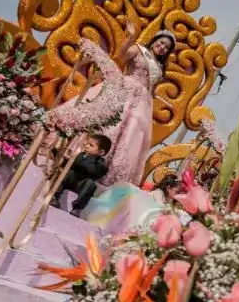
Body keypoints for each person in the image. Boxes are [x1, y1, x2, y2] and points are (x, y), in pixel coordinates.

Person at [46, 25, 175, 187]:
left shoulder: (161, 68)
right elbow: (121, 56)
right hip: (124, 89)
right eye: (161, 43)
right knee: (107, 123)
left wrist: (154, 96)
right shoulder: (139, 50)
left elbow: (152, 87)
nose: (162, 47)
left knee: (128, 137)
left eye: (166, 47)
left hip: (141, 103)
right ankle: (74, 157)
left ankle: (105, 173)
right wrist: (130, 38)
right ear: (155, 40)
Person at [53, 134, 112, 212]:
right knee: (65, 172)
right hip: (72, 178)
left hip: (82, 184)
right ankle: (54, 197)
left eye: (91, 145)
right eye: (87, 143)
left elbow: (92, 170)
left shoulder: (100, 163)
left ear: (101, 152)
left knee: (91, 185)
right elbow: (70, 164)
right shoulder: (81, 155)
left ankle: (77, 208)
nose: (87, 146)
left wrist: (79, 160)